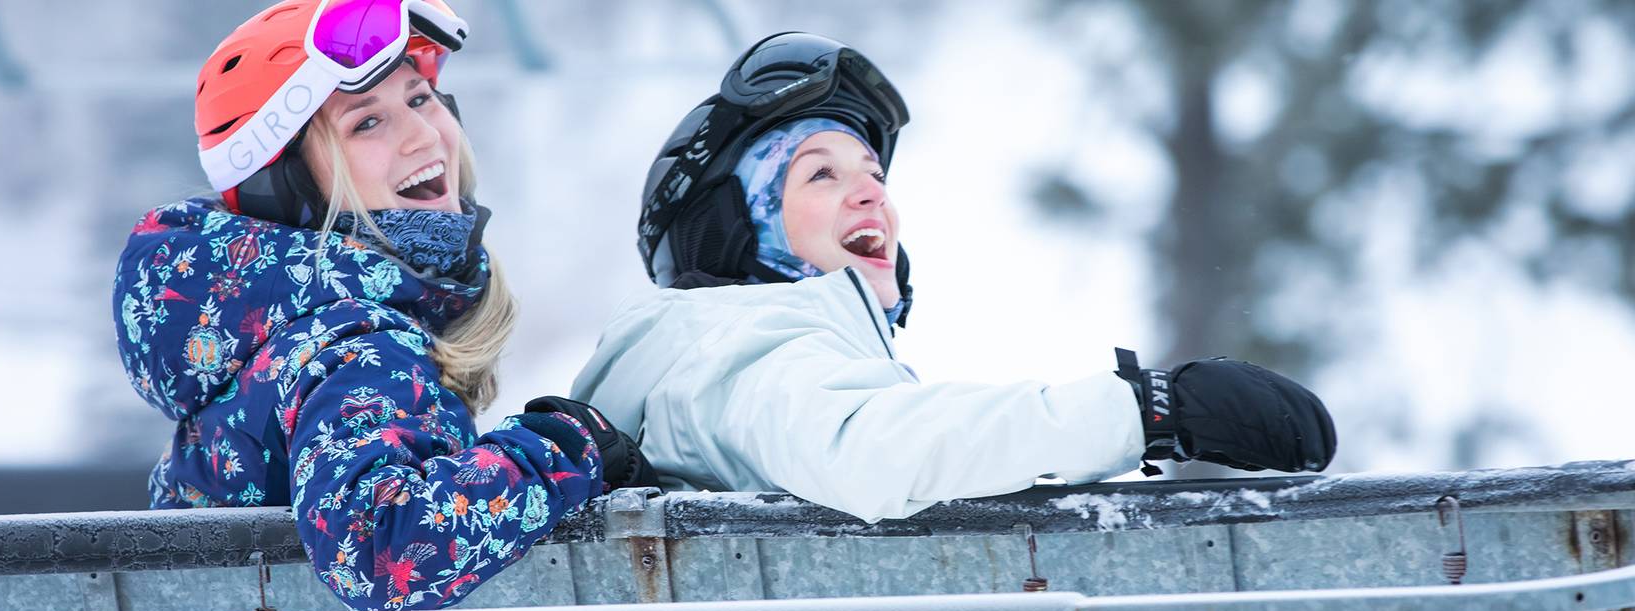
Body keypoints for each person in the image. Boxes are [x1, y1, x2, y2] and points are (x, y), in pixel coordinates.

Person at [571, 32, 1338, 524]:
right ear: (734, 230)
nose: (873, 192)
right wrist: (1148, 410)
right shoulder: (724, 353)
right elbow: (872, 448)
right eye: (820, 175)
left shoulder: (735, 368)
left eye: (873, 173)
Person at [111, 0, 649, 611]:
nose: (425, 134)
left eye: (420, 99)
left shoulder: (288, 341)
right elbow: (382, 550)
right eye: (366, 123)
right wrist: (563, 449)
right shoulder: (355, 346)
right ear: (291, 186)